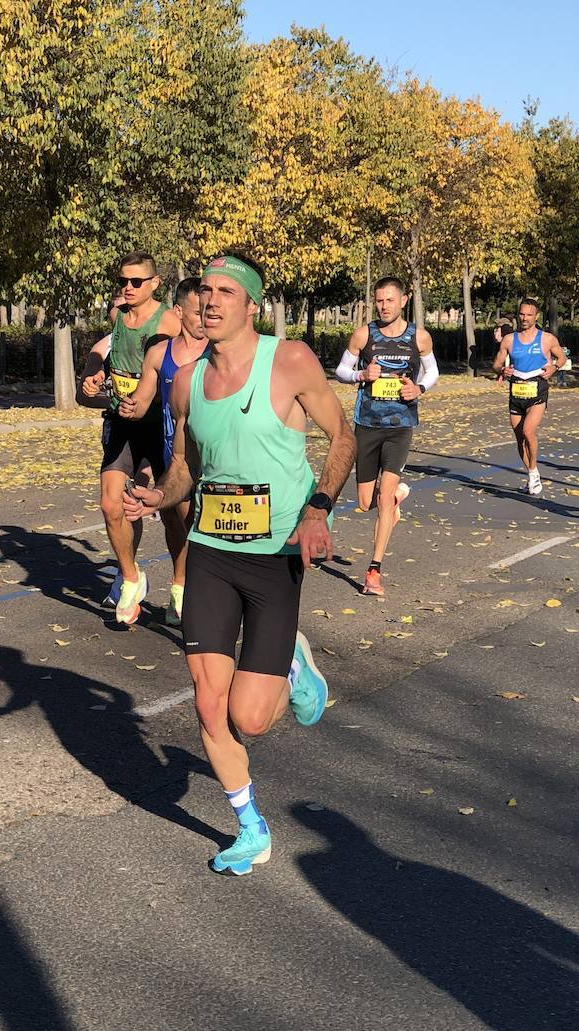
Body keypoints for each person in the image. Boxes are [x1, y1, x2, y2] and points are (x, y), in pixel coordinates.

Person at [124, 254, 354, 876]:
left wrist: (318, 509)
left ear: (251, 305)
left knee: (249, 718)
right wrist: (157, 496)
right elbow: (186, 470)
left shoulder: (291, 361)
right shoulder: (186, 379)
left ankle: (294, 663)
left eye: (227, 291)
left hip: (276, 551)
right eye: (204, 290)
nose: (212, 301)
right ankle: (249, 828)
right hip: (210, 553)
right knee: (207, 704)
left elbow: (343, 436)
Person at [79, 252, 181, 624]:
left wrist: (149, 398)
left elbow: (175, 369)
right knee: (111, 505)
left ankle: (180, 586)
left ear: (155, 283)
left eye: (137, 281)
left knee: (173, 514)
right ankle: (131, 578)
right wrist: (96, 377)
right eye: (123, 281)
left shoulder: (169, 320)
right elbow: (109, 355)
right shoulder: (117, 315)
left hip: (158, 427)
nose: (128, 287)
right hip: (122, 423)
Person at [334, 277, 437, 596]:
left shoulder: (419, 337)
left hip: (400, 426)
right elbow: (340, 371)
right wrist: (361, 375)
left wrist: (418, 388)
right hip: (366, 424)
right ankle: (392, 500)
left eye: (390, 300)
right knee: (366, 503)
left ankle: (373, 572)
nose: (384, 306)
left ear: (404, 300)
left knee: (383, 494)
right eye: (379, 301)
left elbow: (433, 372)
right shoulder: (364, 335)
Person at [117, 277, 207, 625]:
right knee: (181, 522)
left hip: (215, 456)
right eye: (199, 312)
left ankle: (202, 593)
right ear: (179, 312)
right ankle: (180, 589)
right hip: (177, 456)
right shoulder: (160, 354)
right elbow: (142, 399)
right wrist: (130, 407)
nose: (205, 319)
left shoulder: (218, 351)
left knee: (211, 526)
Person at [492, 298, 566, 496]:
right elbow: (496, 364)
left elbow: (562, 358)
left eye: (529, 315)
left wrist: (553, 367)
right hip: (516, 390)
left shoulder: (547, 339)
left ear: (536, 316)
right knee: (519, 438)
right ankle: (532, 473)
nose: (524, 318)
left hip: (537, 389)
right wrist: (503, 370)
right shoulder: (509, 340)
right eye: (522, 314)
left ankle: (533, 474)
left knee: (528, 431)